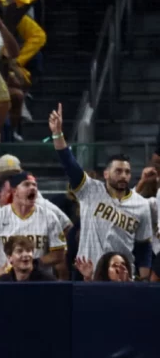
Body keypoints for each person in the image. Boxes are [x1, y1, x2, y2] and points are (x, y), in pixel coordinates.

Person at [49, 103, 153, 279]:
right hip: (87, 271)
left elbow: (144, 245)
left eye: (127, 172)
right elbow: (69, 164)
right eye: (118, 171)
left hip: (122, 276)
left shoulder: (141, 205)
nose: (123, 176)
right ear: (105, 174)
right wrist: (57, 134)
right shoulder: (90, 189)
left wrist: (143, 278)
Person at [0, 172, 66, 280]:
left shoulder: (49, 217)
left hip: (40, 280)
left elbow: (59, 253)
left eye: (34, 185)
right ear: (15, 191)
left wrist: (36, 262)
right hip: (7, 279)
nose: (32, 188)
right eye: (26, 184)